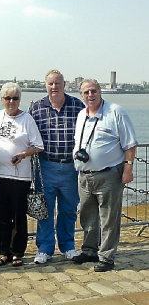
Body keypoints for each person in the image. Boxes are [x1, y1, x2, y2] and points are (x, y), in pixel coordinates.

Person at [72, 79, 138, 272]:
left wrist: (128, 169)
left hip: (109, 174)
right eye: (86, 92)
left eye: (93, 91)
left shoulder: (115, 112)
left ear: (100, 91)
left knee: (109, 218)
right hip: (84, 175)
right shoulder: (80, 116)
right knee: (87, 216)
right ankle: (90, 250)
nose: (90, 95)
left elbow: (130, 144)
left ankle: (107, 257)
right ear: (81, 95)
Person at [0, 82, 44, 267]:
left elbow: (39, 146)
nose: (11, 101)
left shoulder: (27, 119)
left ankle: (17, 252)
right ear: (2, 100)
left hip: (20, 176)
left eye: (15, 98)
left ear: (20, 100)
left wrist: (23, 154)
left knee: (18, 216)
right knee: (0, 215)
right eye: (7, 98)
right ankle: (3, 252)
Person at [29, 70, 85, 264]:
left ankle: (68, 246)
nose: (54, 87)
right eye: (50, 84)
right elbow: (27, 135)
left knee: (69, 209)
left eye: (57, 83)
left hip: (71, 167)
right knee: (45, 210)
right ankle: (44, 249)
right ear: (46, 86)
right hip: (45, 166)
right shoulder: (36, 108)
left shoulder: (77, 106)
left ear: (64, 84)